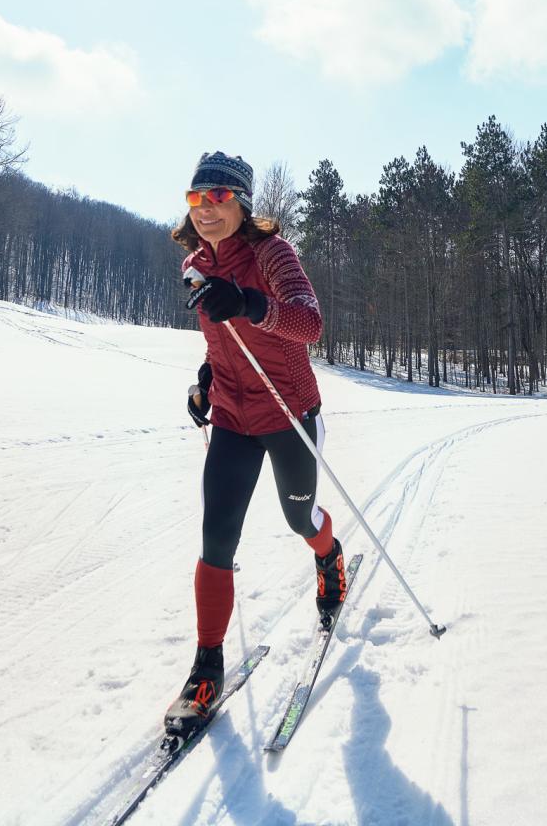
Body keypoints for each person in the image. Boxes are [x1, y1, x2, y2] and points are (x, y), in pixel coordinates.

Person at [164, 150, 348, 734]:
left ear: (242, 203)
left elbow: (308, 323)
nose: (207, 209)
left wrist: (250, 302)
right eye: (197, 198)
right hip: (232, 419)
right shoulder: (195, 264)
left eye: (219, 197)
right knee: (216, 536)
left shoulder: (274, 254)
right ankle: (205, 667)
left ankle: (329, 556)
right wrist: (205, 381)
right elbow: (224, 344)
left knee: (300, 519)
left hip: (289, 411)